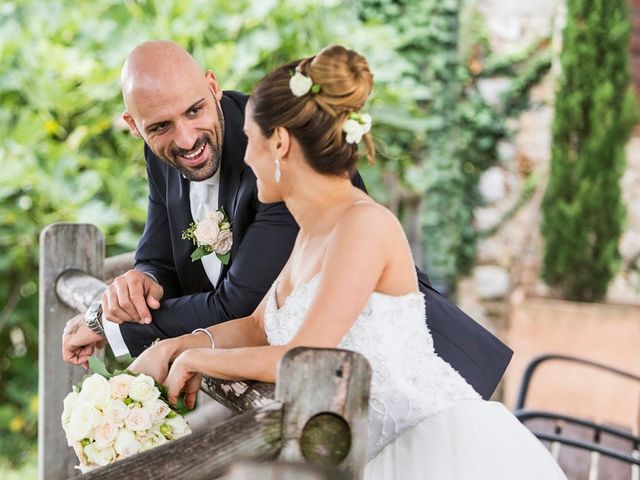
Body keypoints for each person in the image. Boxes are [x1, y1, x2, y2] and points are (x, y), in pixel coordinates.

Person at [128, 45, 566, 479]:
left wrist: (197, 362)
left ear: (279, 143)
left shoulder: (363, 227)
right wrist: (176, 346)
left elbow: (306, 357)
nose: (243, 158)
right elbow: (258, 326)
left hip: (430, 452)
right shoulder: (311, 231)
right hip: (360, 453)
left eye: (253, 142)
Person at [61, 40, 512, 400]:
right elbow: (256, 321)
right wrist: (149, 304)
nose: (185, 136)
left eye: (195, 111)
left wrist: (151, 339)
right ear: (137, 125)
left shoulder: (326, 204)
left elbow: (258, 321)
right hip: (329, 398)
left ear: (276, 145)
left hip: (406, 387)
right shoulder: (297, 213)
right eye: (160, 126)